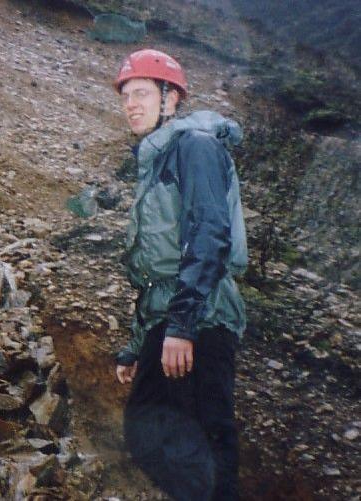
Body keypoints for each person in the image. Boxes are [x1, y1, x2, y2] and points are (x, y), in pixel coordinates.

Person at [112, 49, 248, 501]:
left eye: (142, 93)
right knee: (153, 430)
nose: (130, 104)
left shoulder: (195, 148)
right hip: (172, 317)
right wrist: (138, 345)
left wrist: (183, 325)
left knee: (204, 437)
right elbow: (155, 269)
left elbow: (209, 233)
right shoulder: (157, 160)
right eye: (126, 96)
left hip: (201, 319)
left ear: (170, 98)